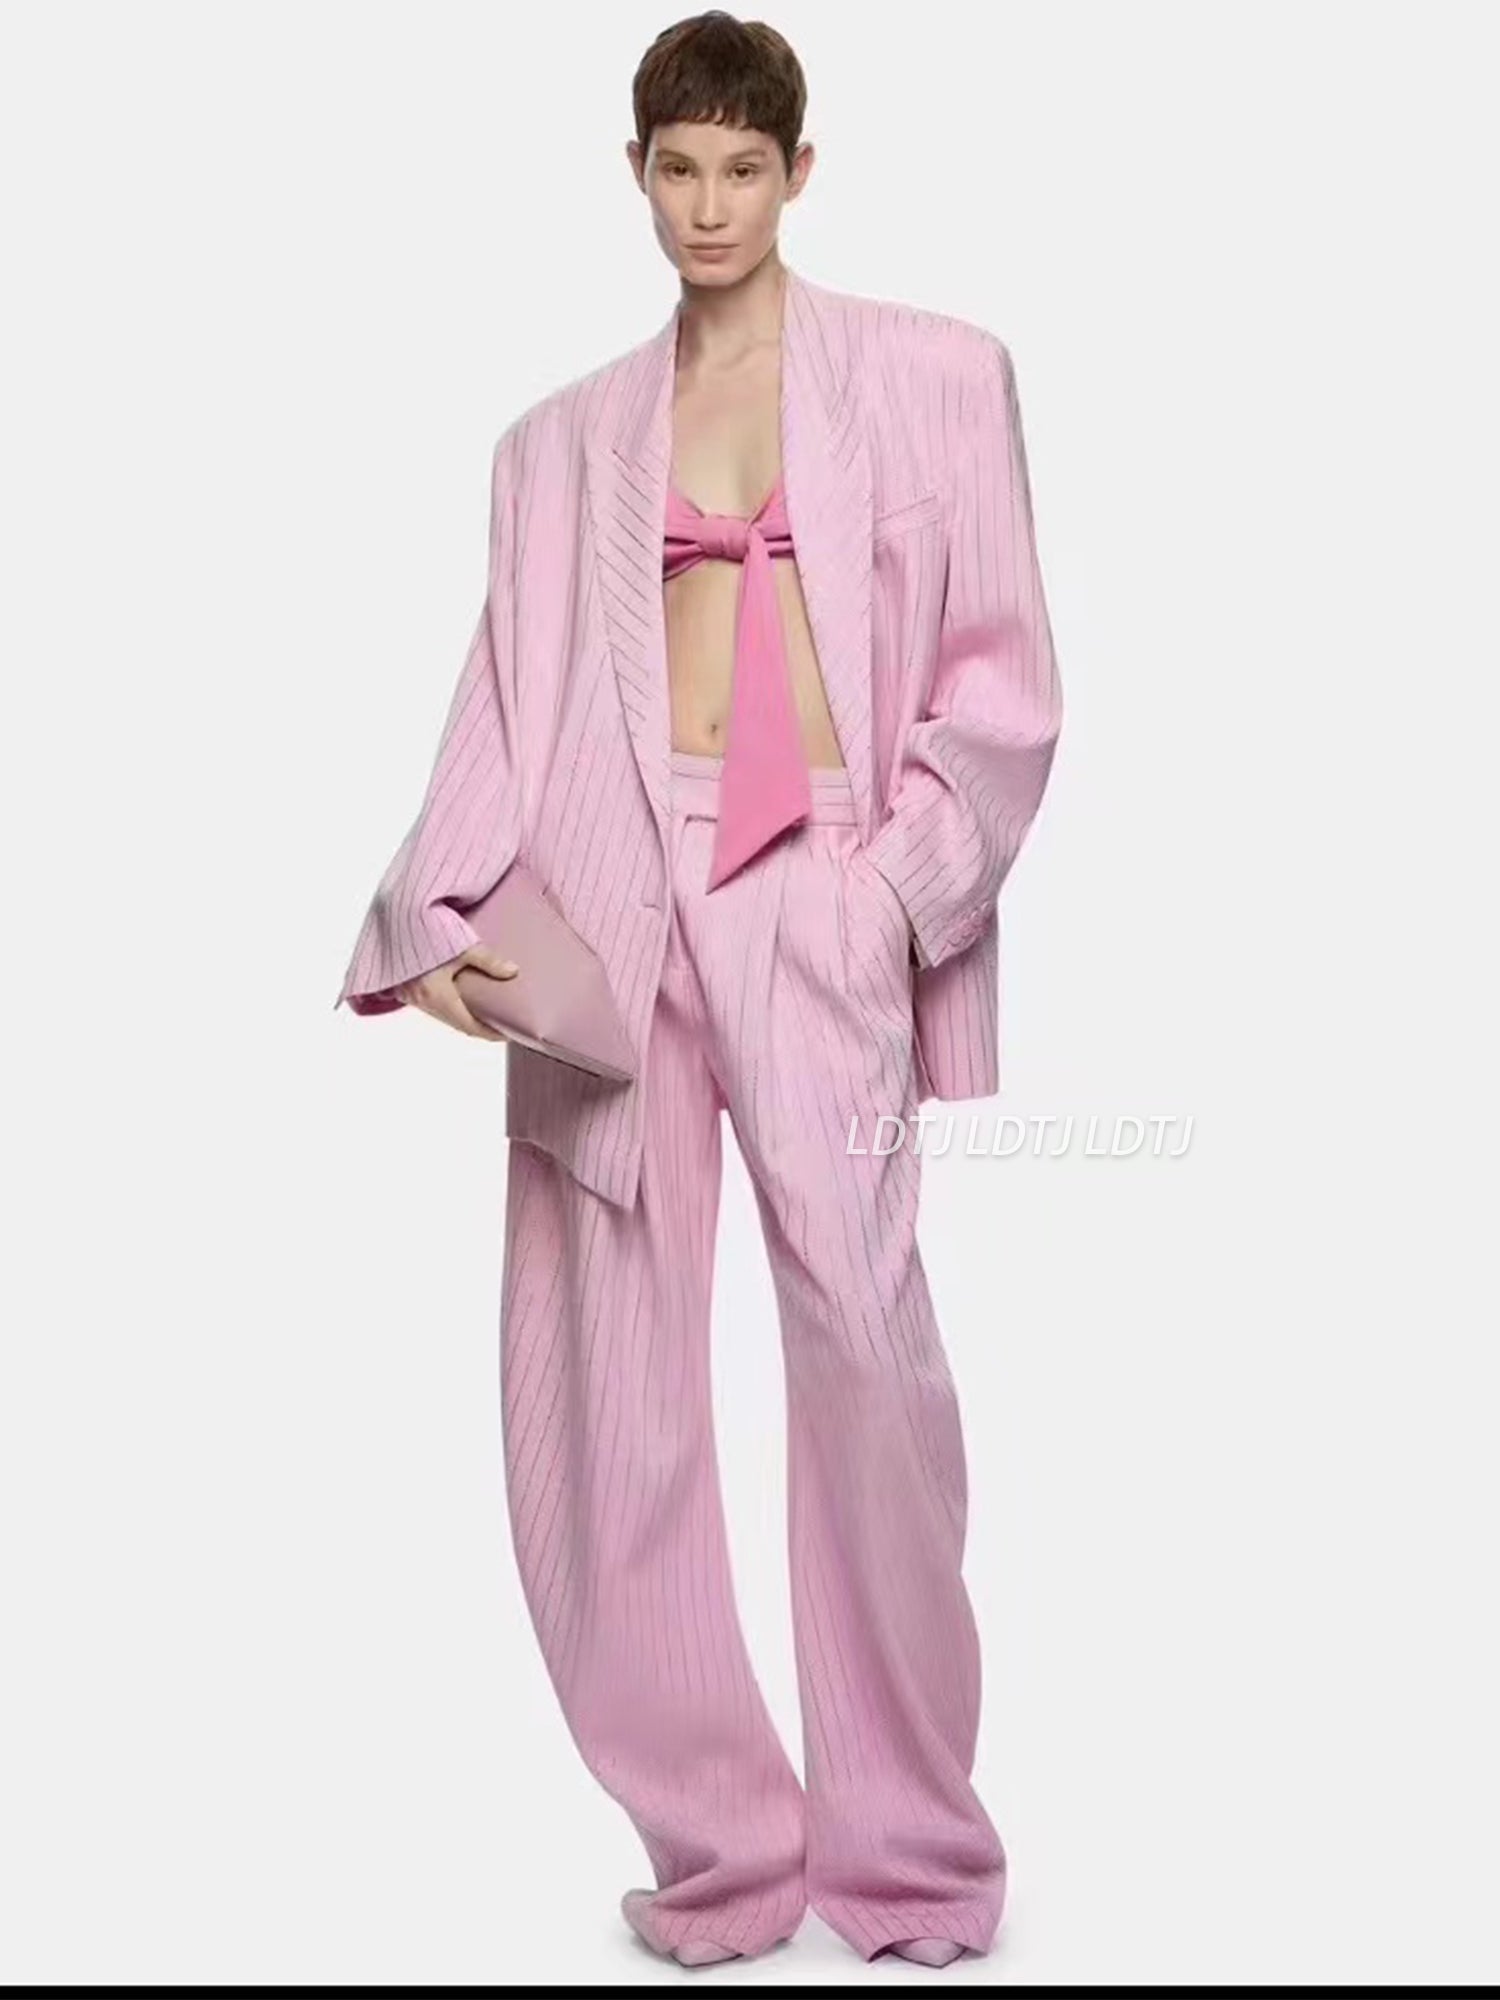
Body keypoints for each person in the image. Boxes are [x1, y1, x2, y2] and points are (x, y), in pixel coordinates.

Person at [334, 8, 1062, 1971]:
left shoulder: (940, 375)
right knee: (605, 1380)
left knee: (867, 1350)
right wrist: (437, 920)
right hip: (613, 898)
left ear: (800, 172)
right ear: (637, 174)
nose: (712, 203)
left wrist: (894, 895)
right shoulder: (552, 445)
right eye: (679, 167)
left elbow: (1003, 680)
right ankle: (723, 1845)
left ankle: (911, 1845)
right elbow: (504, 694)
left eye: (746, 166)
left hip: (818, 876)